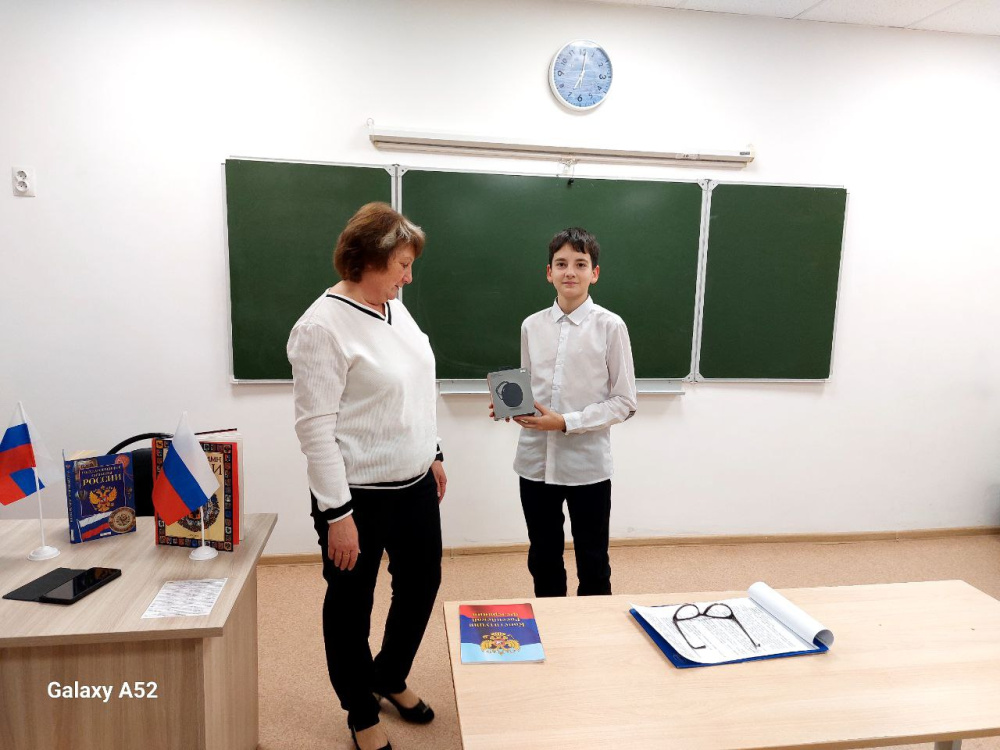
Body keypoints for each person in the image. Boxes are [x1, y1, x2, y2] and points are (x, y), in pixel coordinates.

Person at [287, 202, 446, 750]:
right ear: (368, 261)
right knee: (351, 604)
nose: (409, 277)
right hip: (357, 498)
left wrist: (433, 451)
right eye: (402, 264)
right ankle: (360, 711)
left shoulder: (394, 308)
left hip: (415, 483)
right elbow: (315, 430)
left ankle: (389, 675)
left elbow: (417, 386)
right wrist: (337, 514)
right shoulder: (320, 328)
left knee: (421, 584)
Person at [493, 227, 636, 598]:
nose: (570, 271)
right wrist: (511, 403)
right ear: (549, 272)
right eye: (561, 264)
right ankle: (551, 625)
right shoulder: (531, 325)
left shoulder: (610, 326)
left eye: (580, 264)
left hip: (587, 466)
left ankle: (592, 629)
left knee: (593, 560)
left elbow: (624, 401)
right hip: (534, 463)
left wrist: (565, 423)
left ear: (594, 273)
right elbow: (528, 385)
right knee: (543, 558)